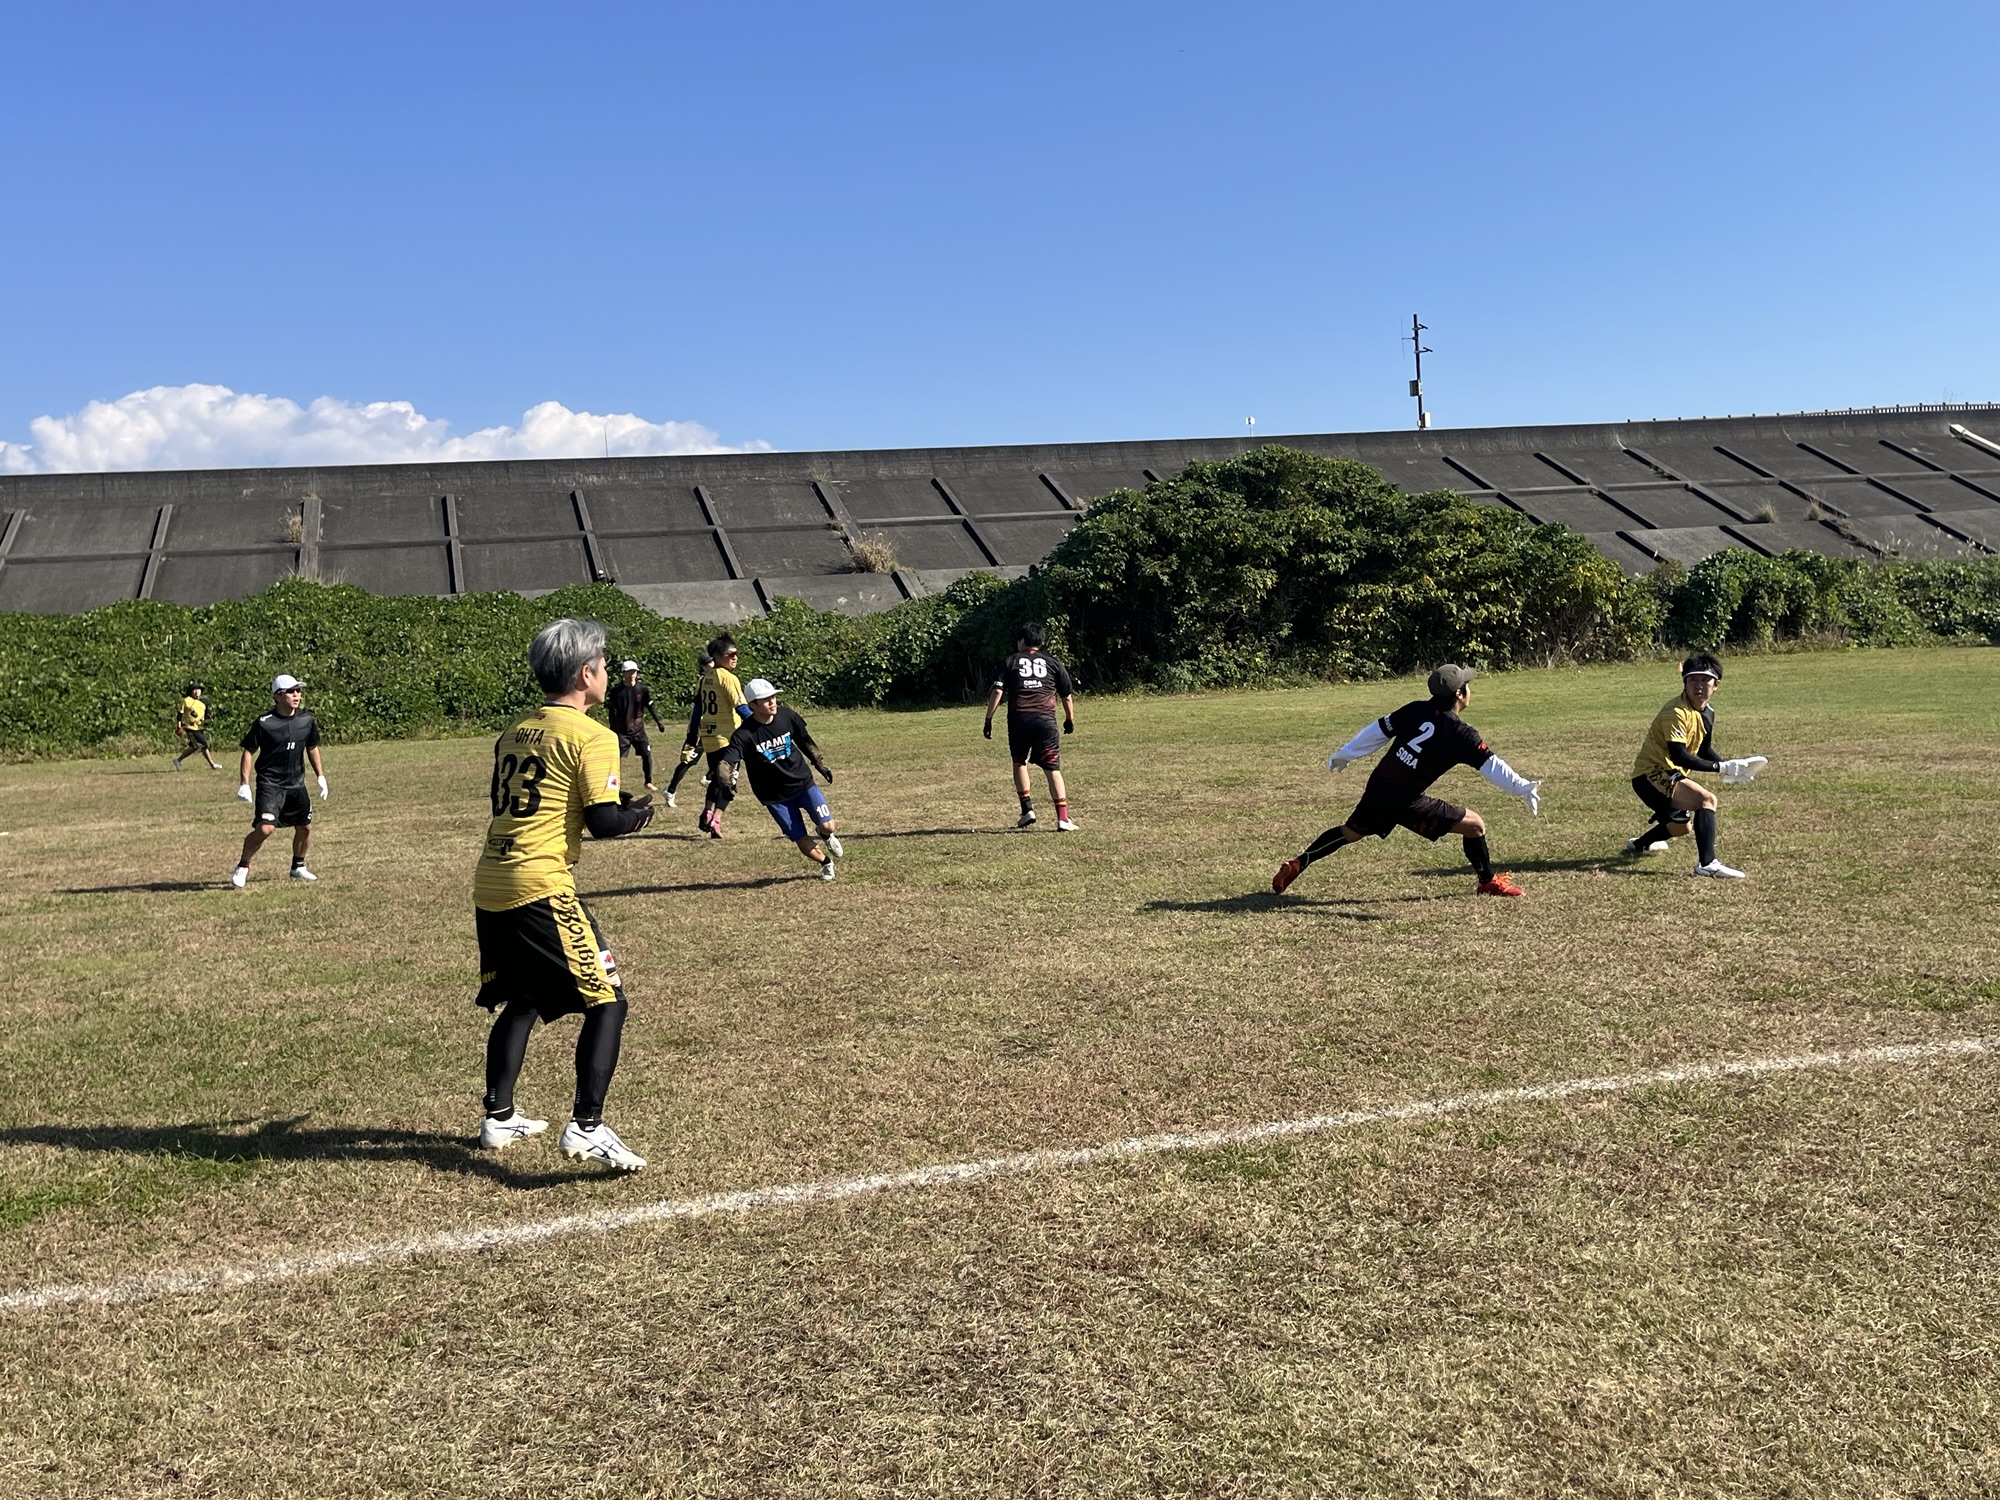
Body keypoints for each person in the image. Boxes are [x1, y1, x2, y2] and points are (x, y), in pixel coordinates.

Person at [473, 617, 656, 1172]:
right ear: (585, 674)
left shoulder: (515, 730)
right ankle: (588, 1127)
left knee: (524, 997)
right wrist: (639, 815)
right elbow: (603, 822)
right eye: (603, 666)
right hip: (539, 882)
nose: (607, 674)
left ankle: (499, 1116)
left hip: (493, 877)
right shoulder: (594, 735)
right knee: (609, 1001)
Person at [1272, 664, 1538, 898]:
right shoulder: (1461, 734)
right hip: (1405, 802)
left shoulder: (1415, 710)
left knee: (1349, 833)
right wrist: (1520, 786)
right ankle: (1487, 882)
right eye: (1467, 685)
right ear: (1459, 694)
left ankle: (1299, 862)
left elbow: (1377, 731)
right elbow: (1492, 766)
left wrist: (1345, 753)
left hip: (1380, 787)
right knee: (1475, 826)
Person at [1625, 652, 1765, 879]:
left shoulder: (1708, 713)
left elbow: (1703, 749)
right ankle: (1707, 864)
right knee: (1706, 800)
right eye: (1692, 680)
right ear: (1685, 683)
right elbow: (1679, 756)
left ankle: (1639, 844)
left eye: (1705, 680)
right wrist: (1723, 768)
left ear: (1716, 685)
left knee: (1681, 827)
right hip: (1649, 775)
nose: (1698, 685)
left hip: (1668, 773)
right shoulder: (1676, 712)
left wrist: (1730, 767)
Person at [719, 678, 843, 881]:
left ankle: (826, 835)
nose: (772, 702)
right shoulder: (744, 734)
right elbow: (728, 762)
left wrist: (819, 763)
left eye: (773, 697)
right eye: (765, 699)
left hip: (802, 783)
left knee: (828, 825)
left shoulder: (787, 716)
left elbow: (804, 740)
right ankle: (826, 863)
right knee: (799, 837)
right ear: (752, 705)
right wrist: (727, 783)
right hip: (774, 796)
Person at [231, 673, 327, 887]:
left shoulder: (306, 720)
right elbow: (248, 751)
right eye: (291, 691)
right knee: (265, 828)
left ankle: (298, 866)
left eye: (298, 691)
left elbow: (312, 748)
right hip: (271, 784)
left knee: (305, 827)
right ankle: (243, 866)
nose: (297, 695)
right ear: (277, 696)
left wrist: (320, 776)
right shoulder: (264, 723)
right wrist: (244, 784)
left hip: (296, 784)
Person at [983, 622, 1078, 830]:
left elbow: (997, 691)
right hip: (1045, 721)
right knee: (1052, 768)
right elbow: (1066, 695)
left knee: (1019, 762)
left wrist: (988, 719)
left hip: (1019, 719)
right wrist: (1069, 719)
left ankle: (1027, 810)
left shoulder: (1011, 661)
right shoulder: (1053, 662)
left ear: (1022, 641)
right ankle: (1063, 818)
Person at [694, 635, 752, 838]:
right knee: (729, 781)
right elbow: (741, 708)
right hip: (728, 738)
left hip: (709, 737)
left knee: (717, 778)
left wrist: (692, 737)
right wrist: (759, 726)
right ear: (718, 657)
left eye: (737, 653)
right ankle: (716, 819)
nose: (735, 657)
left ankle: (707, 811)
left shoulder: (705, 678)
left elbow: (697, 710)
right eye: (731, 654)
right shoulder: (728, 678)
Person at [661, 649, 713, 809]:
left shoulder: (716, 679)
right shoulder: (704, 682)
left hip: (713, 727)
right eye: (710, 662)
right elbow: (698, 708)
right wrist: (693, 733)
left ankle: (709, 778)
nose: (713, 665)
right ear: (703, 666)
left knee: (722, 754)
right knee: (689, 760)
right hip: (700, 729)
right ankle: (670, 791)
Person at [606, 658, 669, 791]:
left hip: (638, 730)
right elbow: (612, 711)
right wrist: (613, 729)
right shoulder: (617, 691)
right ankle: (613, 783)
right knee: (616, 758)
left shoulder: (642, 689)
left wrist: (659, 722)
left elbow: (649, 705)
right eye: (629, 672)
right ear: (623, 673)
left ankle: (648, 782)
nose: (632, 674)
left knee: (646, 754)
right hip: (622, 731)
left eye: (634, 671)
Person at [172, 681, 219, 771]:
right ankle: (212, 764)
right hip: (190, 727)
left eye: (198, 689)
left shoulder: (203, 702)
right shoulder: (186, 701)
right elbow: (179, 715)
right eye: (194, 690)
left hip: (198, 727)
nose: (196, 691)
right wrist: (179, 727)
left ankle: (178, 760)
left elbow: (205, 713)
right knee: (204, 744)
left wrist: (208, 716)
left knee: (195, 747)